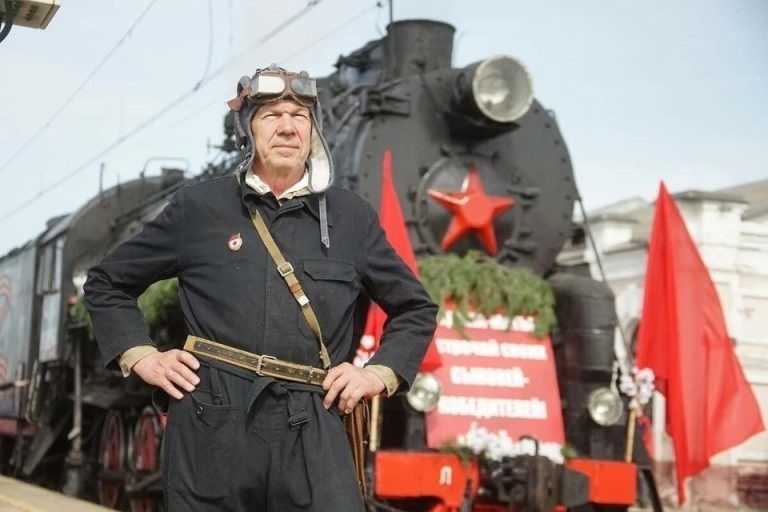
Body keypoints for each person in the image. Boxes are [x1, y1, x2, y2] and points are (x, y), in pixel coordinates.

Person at [84, 65, 438, 511]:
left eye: (300, 116)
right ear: (247, 129)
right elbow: (107, 282)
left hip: (315, 421)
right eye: (272, 115)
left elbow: (415, 308)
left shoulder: (352, 218)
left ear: (313, 131)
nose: (288, 127)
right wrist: (142, 356)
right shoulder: (200, 208)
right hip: (213, 421)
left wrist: (376, 374)